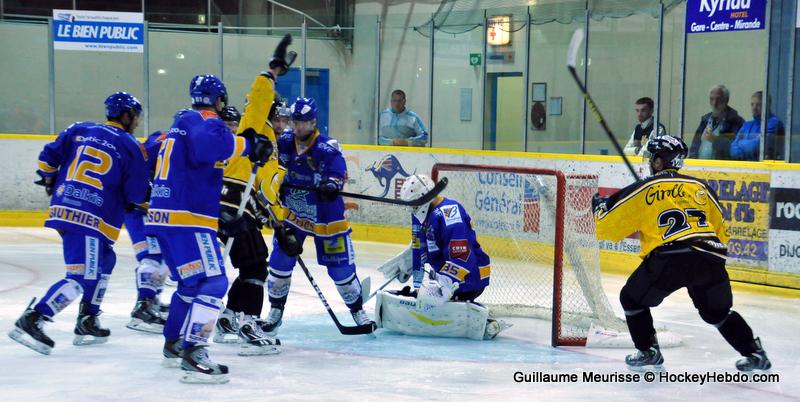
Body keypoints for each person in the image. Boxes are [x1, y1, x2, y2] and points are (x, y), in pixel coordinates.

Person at [593, 135, 771, 372]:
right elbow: (721, 230)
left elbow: (607, 226)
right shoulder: (700, 188)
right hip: (710, 256)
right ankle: (755, 353)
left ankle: (648, 351)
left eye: (651, 158)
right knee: (717, 313)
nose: (649, 163)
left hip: (672, 257)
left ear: (659, 162)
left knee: (631, 299)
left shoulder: (646, 187)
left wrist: (599, 207)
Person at [145, 73, 273, 384]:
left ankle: (174, 342)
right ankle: (194, 350)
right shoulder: (205, 120)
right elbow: (212, 146)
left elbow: (149, 154)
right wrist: (248, 145)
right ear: (219, 101)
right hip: (188, 220)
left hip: (163, 217)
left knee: (190, 285)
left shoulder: (177, 126)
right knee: (215, 282)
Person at [9, 92, 150, 355]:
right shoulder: (131, 145)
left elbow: (47, 160)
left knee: (106, 260)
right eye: (136, 117)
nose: (138, 122)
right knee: (82, 277)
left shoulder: (79, 129)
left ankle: (88, 319)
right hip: (91, 217)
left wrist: (49, 179)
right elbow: (136, 193)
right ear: (126, 116)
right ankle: (36, 317)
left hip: (67, 209)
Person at [259, 96, 375, 336]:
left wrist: (331, 185)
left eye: (304, 122)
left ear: (313, 122)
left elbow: (337, 172)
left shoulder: (327, 147)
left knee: (340, 269)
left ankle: (357, 310)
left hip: (326, 218)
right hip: (293, 214)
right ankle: (275, 310)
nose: (299, 126)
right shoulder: (284, 142)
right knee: (280, 262)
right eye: (296, 121)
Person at [213, 37, 294, 356]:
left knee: (253, 264)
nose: (283, 123)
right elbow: (258, 99)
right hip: (232, 207)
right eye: (279, 116)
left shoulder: (272, 141)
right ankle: (249, 324)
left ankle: (228, 319)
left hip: (242, 208)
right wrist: (271, 73)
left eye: (285, 119)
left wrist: (281, 226)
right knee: (256, 267)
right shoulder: (255, 126)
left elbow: (265, 191)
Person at [375, 175, 509, 340]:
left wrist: (443, 285)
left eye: (413, 204)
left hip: (469, 278)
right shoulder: (421, 212)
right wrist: (408, 261)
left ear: (424, 198)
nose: (411, 209)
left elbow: (461, 257)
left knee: (431, 303)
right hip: (444, 274)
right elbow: (423, 243)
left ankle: (480, 319)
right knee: (424, 298)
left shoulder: (450, 214)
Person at [125, 130, 171, 334]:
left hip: (156, 212)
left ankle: (151, 300)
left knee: (164, 257)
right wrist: (142, 189)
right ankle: (143, 307)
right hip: (140, 209)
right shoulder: (167, 139)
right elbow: (138, 156)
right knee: (152, 257)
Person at [689, 85, 745, 160]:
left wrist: (716, 140)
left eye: (718, 99)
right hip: (699, 165)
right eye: (711, 99)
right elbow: (695, 145)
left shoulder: (736, 121)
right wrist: (692, 161)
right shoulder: (705, 120)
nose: (714, 103)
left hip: (722, 166)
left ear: (726, 100)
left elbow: (736, 150)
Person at [730, 91, 786, 161]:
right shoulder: (747, 125)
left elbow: (758, 145)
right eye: (752, 104)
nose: (754, 108)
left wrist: (740, 143)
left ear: (768, 105)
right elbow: (733, 148)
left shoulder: (774, 123)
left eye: (758, 105)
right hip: (746, 165)